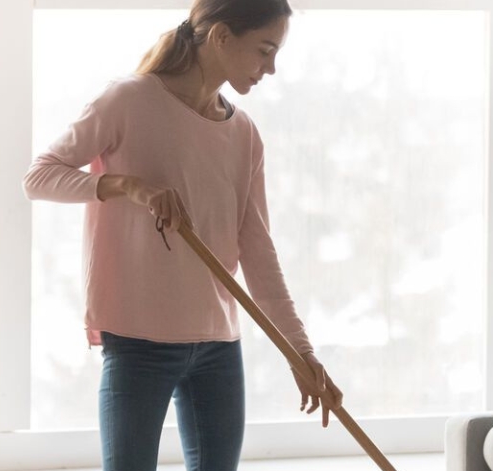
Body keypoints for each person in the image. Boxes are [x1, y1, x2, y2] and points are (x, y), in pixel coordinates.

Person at [20, 0, 341, 469]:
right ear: (222, 37)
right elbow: (39, 177)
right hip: (137, 342)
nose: (271, 68)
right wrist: (126, 186)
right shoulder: (128, 100)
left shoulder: (244, 134)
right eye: (264, 50)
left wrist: (301, 354)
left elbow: (258, 253)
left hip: (218, 346)